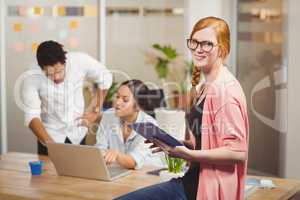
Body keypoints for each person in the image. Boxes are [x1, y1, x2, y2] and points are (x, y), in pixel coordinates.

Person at [114, 16, 249, 200]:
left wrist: (189, 154)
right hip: (191, 183)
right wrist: (177, 145)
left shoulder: (225, 90)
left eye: (207, 44)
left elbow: (237, 152)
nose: (198, 49)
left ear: (222, 49)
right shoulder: (204, 88)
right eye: (195, 42)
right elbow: (205, 144)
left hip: (202, 190)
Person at [22, 40, 112, 155]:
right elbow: (31, 117)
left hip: (77, 133)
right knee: (48, 173)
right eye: (50, 74)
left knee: (78, 171)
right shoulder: (31, 76)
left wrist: (96, 110)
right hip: (49, 136)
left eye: (60, 71)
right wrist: (52, 146)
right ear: (41, 68)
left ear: (65, 61)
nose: (57, 77)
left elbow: (106, 77)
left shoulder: (79, 60)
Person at [95, 79, 165, 169]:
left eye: (125, 100)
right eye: (117, 97)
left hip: (148, 174)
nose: (117, 102)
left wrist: (116, 155)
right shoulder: (108, 115)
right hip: (119, 171)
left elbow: (134, 161)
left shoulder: (149, 125)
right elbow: (100, 148)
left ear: (138, 106)